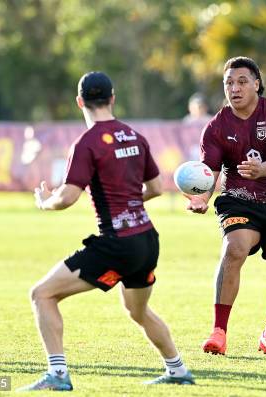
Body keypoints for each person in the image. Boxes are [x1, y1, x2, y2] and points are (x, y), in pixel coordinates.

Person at [19, 71, 195, 391]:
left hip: (118, 244)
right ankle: (178, 369)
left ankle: (58, 375)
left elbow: (67, 197)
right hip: (146, 239)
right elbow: (156, 187)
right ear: (113, 99)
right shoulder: (133, 136)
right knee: (137, 310)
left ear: (79, 102)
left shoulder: (86, 143)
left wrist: (45, 202)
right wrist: (129, 200)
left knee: (42, 294)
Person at [187, 56, 266, 356]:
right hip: (238, 200)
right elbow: (210, 172)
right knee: (236, 247)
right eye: (229, 82)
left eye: (242, 81)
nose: (235, 88)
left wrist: (262, 169)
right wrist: (201, 197)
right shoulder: (216, 127)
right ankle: (219, 332)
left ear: (257, 84)